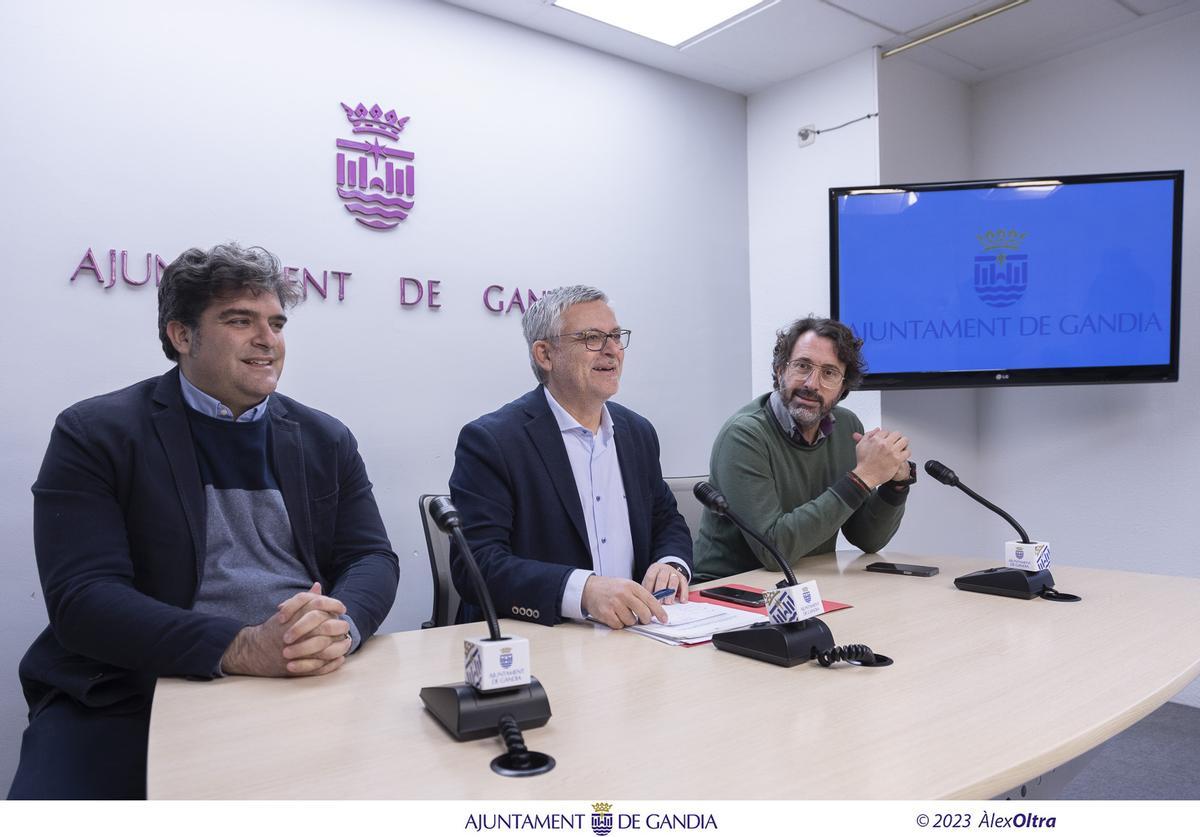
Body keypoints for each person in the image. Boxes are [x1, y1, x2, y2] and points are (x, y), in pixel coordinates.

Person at [9, 244, 399, 799]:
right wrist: (242, 647)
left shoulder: (324, 437)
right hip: (133, 688)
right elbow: (84, 599)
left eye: (276, 323)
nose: (267, 340)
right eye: (240, 321)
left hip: (301, 678)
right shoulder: (95, 433)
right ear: (181, 335)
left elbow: (371, 557)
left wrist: (338, 630)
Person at [448, 285, 692, 630]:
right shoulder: (493, 441)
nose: (612, 350)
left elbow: (666, 520)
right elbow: (477, 565)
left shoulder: (637, 432)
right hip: (544, 637)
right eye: (592, 338)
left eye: (615, 336)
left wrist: (671, 563)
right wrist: (582, 591)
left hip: (637, 633)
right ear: (545, 355)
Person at [694, 316, 915, 580]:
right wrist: (863, 477)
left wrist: (895, 485)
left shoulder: (847, 427)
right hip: (728, 590)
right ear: (780, 371)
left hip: (804, 583)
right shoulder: (744, 435)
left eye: (829, 373)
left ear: (843, 387)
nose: (812, 383)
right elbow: (774, 549)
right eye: (802, 366)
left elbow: (867, 538)